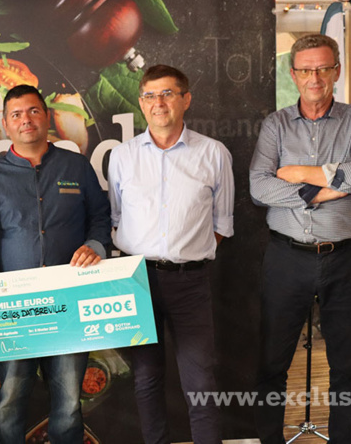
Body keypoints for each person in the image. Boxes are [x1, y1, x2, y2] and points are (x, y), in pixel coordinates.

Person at [0, 84, 111, 443]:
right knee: (9, 401)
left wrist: (96, 244)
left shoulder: (76, 166)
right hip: (12, 309)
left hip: (69, 306)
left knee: (69, 403)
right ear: (6, 125)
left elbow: (101, 217)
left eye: (34, 111)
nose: (26, 119)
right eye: (17, 114)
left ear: (46, 116)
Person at [249, 34, 351, 444]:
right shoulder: (275, 125)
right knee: (273, 361)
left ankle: (344, 438)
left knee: (346, 363)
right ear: (293, 74)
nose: (315, 77)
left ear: (336, 72)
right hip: (285, 258)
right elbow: (259, 187)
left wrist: (302, 174)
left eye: (323, 68)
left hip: (346, 258)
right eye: (306, 69)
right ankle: (270, 439)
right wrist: (328, 188)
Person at [107, 64, 233, 444]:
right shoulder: (122, 156)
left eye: (167, 94)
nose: (158, 103)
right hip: (137, 280)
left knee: (201, 382)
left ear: (185, 99)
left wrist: (184, 253)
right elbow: (115, 217)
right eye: (149, 95)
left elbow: (221, 224)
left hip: (190, 282)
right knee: (146, 379)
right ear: (141, 103)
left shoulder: (213, 154)